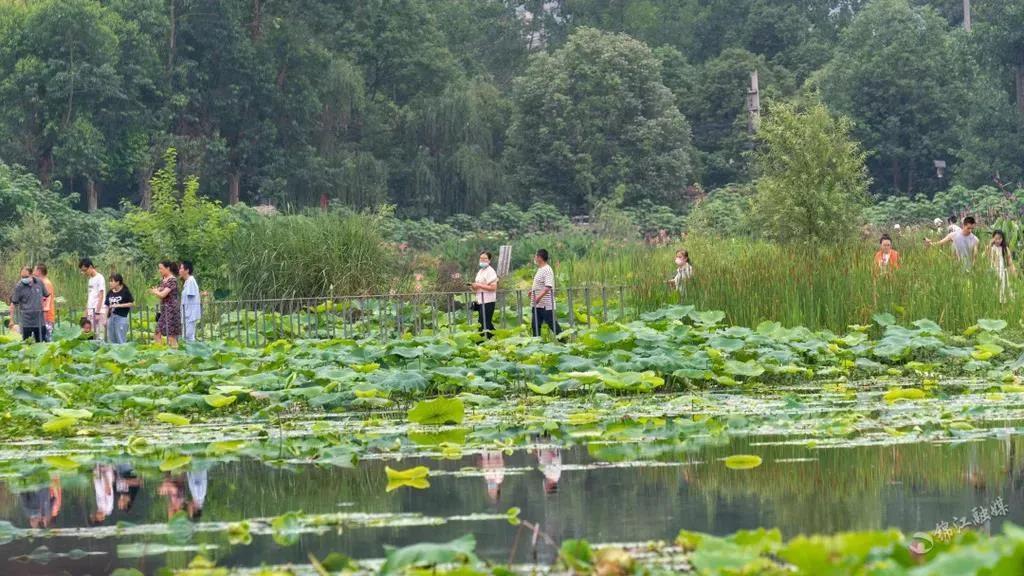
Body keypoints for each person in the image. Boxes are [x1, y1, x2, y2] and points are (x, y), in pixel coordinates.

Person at [10, 266, 49, 342]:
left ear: (31, 275)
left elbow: (47, 296)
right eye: (22, 277)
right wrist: (11, 320)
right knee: (26, 344)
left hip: (39, 320)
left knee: (41, 343)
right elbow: (13, 303)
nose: (24, 279)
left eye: (26, 276)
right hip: (26, 321)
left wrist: (45, 307)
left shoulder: (39, 282)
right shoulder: (19, 286)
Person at [530, 249, 561, 338]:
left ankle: (564, 342)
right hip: (537, 305)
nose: (535, 258)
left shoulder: (547, 269)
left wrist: (538, 297)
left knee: (553, 325)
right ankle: (536, 345)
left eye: (536, 256)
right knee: (535, 326)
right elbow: (539, 284)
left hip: (545, 305)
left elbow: (548, 286)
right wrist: (531, 291)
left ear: (539, 258)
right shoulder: (540, 269)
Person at [151, 261, 181, 347]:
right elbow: (160, 293)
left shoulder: (172, 280)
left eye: (161, 268)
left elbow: (162, 294)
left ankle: (176, 356)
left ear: (168, 268)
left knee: (171, 336)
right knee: (157, 332)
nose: (159, 270)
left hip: (172, 310)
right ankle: (160, 353)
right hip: (164, 310)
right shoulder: (164, 280)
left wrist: (156, 291)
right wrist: (156, 291)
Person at [471, 252, 498, 339]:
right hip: (480, 300)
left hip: (488, 301)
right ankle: (493, 339)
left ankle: (485, 340)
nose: (482, 260)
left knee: (485, 322)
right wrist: (473, 286)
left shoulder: (491, 271)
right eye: (481, 259)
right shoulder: (480, 271)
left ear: (489, 260)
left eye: (485, 259)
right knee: (483, 322)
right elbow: (479, 285)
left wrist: (478, 285)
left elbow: (493, 287)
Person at [79, 258, 106, 339]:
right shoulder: (90, 280)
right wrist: (85, 312)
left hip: (99, 312)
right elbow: (90, 297)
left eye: (85, 270)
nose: (84, 273)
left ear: (90, 267)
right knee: (92, 336)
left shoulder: (100, 277)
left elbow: (101, 296)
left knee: (99, 336)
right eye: (82, 271)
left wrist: (97, 312)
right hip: (91, 312)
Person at [104, 274, 135, 344]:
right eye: (109, 281)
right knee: (111, 339)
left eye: (112, 281)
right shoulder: (110, 292)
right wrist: (105, 319)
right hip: (111, 317)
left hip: (121, 318)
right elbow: (107, 306)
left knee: (120, 339)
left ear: (118, 282)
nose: (110, 283)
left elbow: (132, 303)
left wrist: (119, 305)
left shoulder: (125, 291)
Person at [989, 230, 1016, 304]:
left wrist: (1013, 270)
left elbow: (1010, 262)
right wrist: (989, 244)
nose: (998, 240)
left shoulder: (1005, 248)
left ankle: (1002, 304)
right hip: (991, 271)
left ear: (1002, 239)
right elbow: (985, 258)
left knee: (1002, 288)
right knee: (993, 288)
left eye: (1000, 238)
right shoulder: (991, 247)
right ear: (993, 238)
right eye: (996, 238)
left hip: (1002, 272)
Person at [179, 261, 202, 342]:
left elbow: (192, 296)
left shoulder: (191, 280)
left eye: (181, 268)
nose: (179, 270)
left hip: (189, 315)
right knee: (186, 337)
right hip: (187, 314)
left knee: (188, 337)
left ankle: (191, 353)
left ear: (187, 270)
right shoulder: (187, 281)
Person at [33, 264, 55, 342]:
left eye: (34, 270)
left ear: (39, 271)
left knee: (46, 340)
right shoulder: (42, 282)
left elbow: (46, 302)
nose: (33, 272)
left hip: (47, 317)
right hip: (42, 317)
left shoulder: (46, 283)